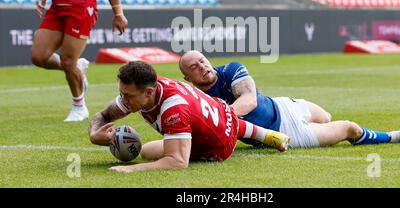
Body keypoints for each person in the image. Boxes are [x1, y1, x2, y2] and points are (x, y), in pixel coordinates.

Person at [178, 50, 400, 149]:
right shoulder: (196, 96)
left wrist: (221, 117)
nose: (202, 66)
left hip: (282, 104)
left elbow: (250, 100)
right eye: (194, 67)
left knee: (327, 117)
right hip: (283, 131)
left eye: (202, 60)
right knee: (348, 128)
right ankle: (397, 136)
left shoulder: (231, 69)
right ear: (188, 78)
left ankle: (326, 129)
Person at [88, 61, 291, 172]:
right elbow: (103, 115)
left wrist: (131, 170)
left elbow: (177, 162)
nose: (124, 100)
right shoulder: (146, 85)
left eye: (128, 96)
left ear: (149, 92)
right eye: (122, 94)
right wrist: (94, 135)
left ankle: (266, 135)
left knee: (148, 151)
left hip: (220, 144)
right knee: (218, 119)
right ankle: (268, 135)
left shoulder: (173, 107)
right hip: (221, 110)